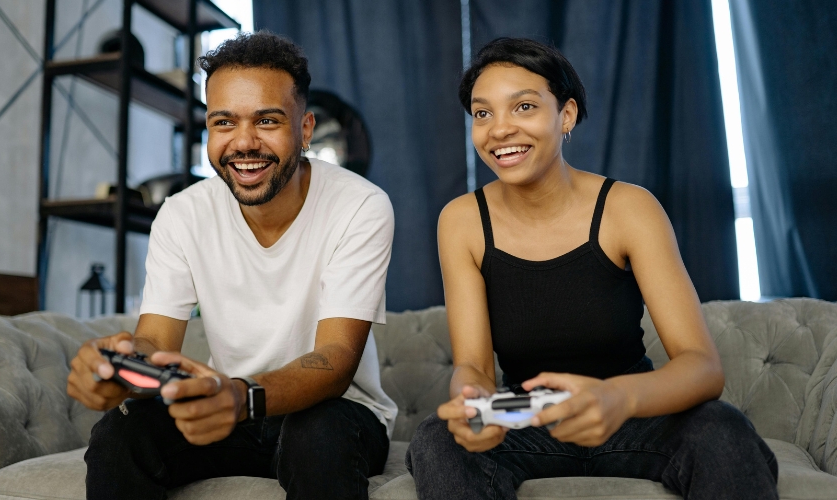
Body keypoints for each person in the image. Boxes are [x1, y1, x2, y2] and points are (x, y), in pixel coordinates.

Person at [405, 37, 778, 500]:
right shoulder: (461, 220)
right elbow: (474, 366)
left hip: (632, 412)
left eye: (522, 107)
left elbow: (702, 368)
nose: (498, 129)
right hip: (530, 418)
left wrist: (618, 397)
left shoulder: (629, 208)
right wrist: (473, 403)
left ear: (566, 115)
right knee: (437, 440)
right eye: (483, 114)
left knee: (722, 428)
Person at [66, 31, 397, 500]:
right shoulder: (182, 214)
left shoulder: (361, 206)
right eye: (223, 122)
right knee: (120, 434)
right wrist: (118, 370)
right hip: (228, 408)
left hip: (335, 412)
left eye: (266, 120)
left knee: (316, 435)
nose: (243, 142)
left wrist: (243, 396)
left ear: (304, 129)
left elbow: (336, 361)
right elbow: (155, 342)